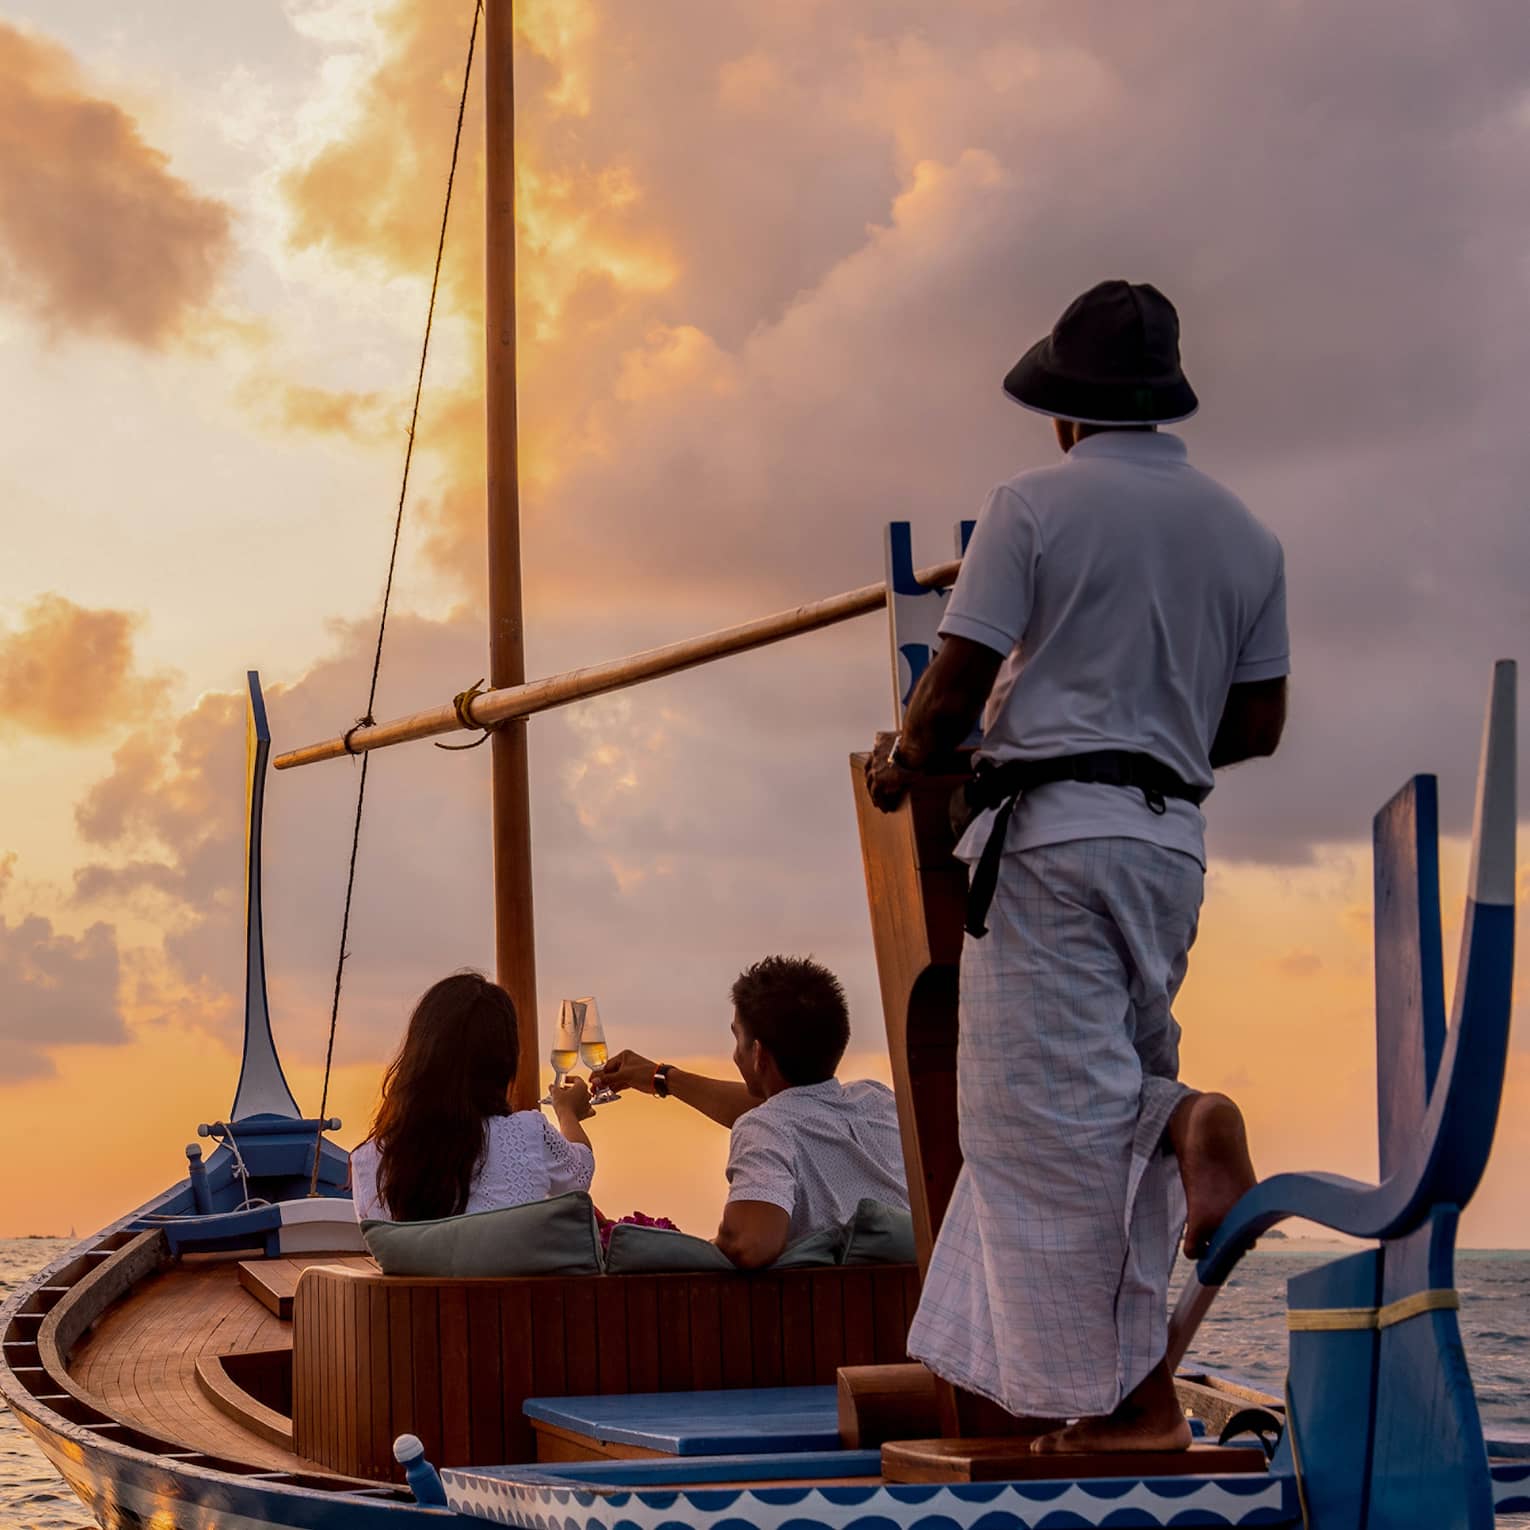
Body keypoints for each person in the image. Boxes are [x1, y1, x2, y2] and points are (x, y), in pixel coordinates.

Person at [864, 280, 1285, 1454]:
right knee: (1108, 1095)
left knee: (1037, 1125)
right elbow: (1257, 725)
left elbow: (950, 692)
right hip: (1168, 851)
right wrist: (1139, 732)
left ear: (1064, 411)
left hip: (1050, 843)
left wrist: (905, 764)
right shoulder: (1246, 532)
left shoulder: (1032, 507)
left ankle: (1134, 1413)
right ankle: (1190, 1120)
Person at [592, 955, 908, 1268]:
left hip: (830, 1311)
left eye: (737, 1038)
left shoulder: (766, 1127)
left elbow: (750, 1243)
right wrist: (661, 1077)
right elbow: (795, 1106)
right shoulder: (876, 1101)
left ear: (757, 1054)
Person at [350, 970, 595, 1223]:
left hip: (421, 1265)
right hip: (514, 1264)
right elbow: (580, 1175)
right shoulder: (529, 1133)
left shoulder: (371, 1160)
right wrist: (567, 1112)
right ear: (507, 1062)